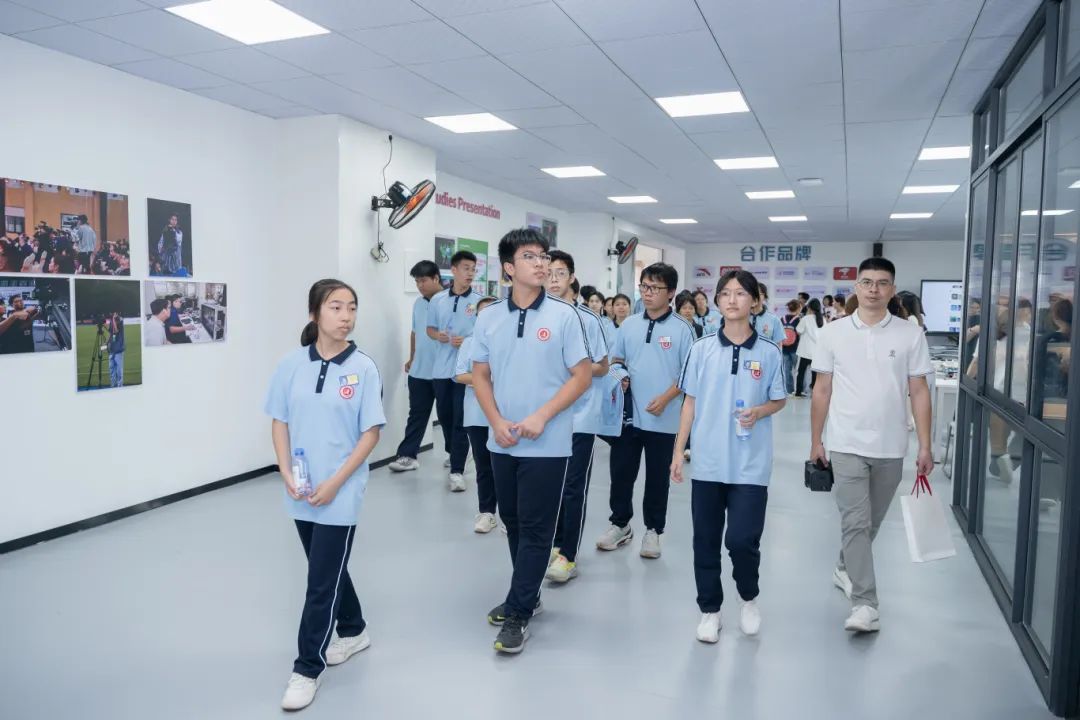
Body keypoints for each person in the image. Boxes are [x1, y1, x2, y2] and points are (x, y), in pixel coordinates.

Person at [265, 279, 385, 711]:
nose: (346, 316)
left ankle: (306, 669)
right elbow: (279, 420)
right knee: (327, 569)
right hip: (301, 487)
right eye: (336, 307)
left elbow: (371, 433)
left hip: (342, 489)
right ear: (315, 313)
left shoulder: (364, 368)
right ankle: (353, 629)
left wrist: (336, 483)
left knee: (319, 582)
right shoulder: (291, 364)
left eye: (352, 307)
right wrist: (285, 471)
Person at [470, 228, 591, 654]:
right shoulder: (488, 317)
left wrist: (542, 415)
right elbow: (480, 375)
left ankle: (519, 611)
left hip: (548, 442)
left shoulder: (564, 316)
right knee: (514, 521)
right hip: (502, 440)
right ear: (508, 268)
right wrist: (495, 421)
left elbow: (582, 376)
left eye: (543, 256)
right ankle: (529, 592)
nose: (541, 263)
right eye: (529, 256)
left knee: (538, 528)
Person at [809, 257, 934, 634]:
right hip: (845, 442)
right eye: (866, 282)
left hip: (891, 445)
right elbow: (822, 390)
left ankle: (844, 567)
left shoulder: (910, 334)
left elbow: (919, 391)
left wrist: (925, 445)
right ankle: (865, 604)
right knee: (856, 521)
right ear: (856, 288)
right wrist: (816, 441)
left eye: (882, 283)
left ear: (892, 290)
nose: (874, 289)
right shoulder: (833, 333)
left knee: (870, 524)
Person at [671, 269, 787, 642]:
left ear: (756, 301)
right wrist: (678, 451)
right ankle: (710, 610)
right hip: (708, 462)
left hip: (751, 464)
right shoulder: (701, 348)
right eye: (725, 293)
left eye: (740, 293)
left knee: (741, 540)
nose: (732, 300)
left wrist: (760, 411)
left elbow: (779, 399)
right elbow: (689, 403)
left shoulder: (769, 351)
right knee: (705, 541)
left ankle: (748, 597)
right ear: (718, 301)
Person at [598, 263, 696, 558]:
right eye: (644, 286)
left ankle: (653, 530)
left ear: (671, 293)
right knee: (621, 473)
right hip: (628, 417)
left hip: (664, 419)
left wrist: (666, 398)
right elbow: (616, 359)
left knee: (657, 478)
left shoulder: (682, 329)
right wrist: (619, 374)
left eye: (655, 287)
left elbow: (689, 374)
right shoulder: (629, 325)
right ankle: (620, 524)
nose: (648, 292)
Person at [544, 250, 609, 584]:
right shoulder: (539, 316)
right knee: (549, 486)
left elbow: (603, 366)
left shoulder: (588, 319)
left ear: (571, 277)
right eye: (548, 273)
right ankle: (555, 544)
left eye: (560, 273)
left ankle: (568, 556)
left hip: (580, 416)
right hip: (546, 416)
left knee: (573, 487)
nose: (553, 279)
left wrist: (574, 369)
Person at [426, 250, 482, 492]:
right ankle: (455, 451)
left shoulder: (479, 301)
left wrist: (468, 340)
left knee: (460, 418)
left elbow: (486, 333)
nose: (470, 273)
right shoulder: (438, 300)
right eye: (466, 268)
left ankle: (457, 471)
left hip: (465, 371)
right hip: (441, 368)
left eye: (473, 269)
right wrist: (436, 335)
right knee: (445, 416)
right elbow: (429, 328)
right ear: (454, 270)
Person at [388, 261, 443, 473]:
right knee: (417, 415)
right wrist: (412, 358)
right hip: (419, 372)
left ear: (436, 278)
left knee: (448, 418)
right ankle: (407, 455)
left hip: (444, 372)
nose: (420, 285)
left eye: (423, 280)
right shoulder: (418, 304)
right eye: (417, 281)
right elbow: (415, 332)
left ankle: (457, 455)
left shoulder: (449, 302)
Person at [456, 297, 500, 533]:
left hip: (505, 413)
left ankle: (510, 514)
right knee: (484, 465)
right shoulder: (469, 343)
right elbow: (460, 375)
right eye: (481, 313)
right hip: (477, 413)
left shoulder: (509, 341)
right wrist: (486, 380)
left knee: (505, 465)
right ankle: (487, 512)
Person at [795, 298, 824, 397]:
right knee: (815, 373)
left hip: (805, 351)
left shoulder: (806, 318)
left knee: (801, 372)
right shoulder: (823, 319)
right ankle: (814, 392)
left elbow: (799, 330)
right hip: (817, 351)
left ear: (809, 307)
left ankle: (798, 392)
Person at [780, 299, 802, 395]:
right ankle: (799, 390)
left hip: (784, 348)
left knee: (786, 370)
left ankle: (789, 390)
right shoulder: (799, 319)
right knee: (799, 371)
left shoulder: (782, 318)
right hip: (796, 348)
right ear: (798, 308)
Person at [107, 311, 125, 388]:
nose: (112, 314)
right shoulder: (111, 321)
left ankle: (119, 386)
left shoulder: (120, 320)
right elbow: (111, 333)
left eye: (114, 313)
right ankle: (113, 385)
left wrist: (113, 319)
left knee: (119, 369)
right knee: (111, 368)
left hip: (118, 349)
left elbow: (116, 330)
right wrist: (107, 342)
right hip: (112, 349)